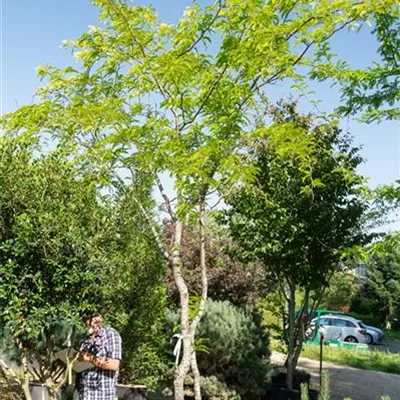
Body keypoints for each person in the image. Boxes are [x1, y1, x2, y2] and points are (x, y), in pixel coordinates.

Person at [76, 313, 122, 400]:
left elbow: (114, 364)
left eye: (92, 318)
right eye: (87, 319)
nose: (90, 322)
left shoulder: (110, 334)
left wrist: (89, 358)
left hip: (103, 395)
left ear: (100, 317)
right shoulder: (86, 339)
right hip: (85, 394)